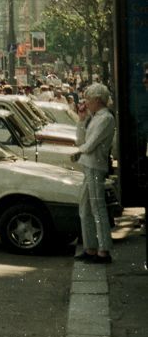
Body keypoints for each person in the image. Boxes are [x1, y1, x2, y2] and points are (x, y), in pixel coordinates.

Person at [73, 83, 117, 264]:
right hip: (88, 165)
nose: (86, 103)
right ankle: (90, 247)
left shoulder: (105, 118)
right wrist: (81, 120)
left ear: (98, 100)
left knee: (97, 208)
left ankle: (103, 250)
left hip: (96, 165)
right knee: (85, 208)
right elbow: (82, 140)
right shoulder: (94, 117)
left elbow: (90, 144)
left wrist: (79, 151)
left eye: (88, 99)